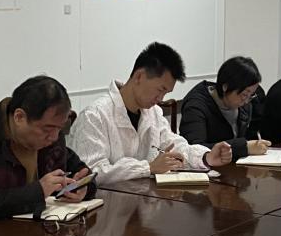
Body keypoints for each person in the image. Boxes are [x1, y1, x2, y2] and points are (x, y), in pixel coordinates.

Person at [70, 42, 232, 185]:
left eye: (166, 93)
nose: (161, 99)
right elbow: (92, 173)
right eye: (160, 90)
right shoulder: (94, 116)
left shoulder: (153, 113)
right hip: (108, 206)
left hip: (144, 202)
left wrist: (206, 157)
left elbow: (175, 145)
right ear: (139, 76)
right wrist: (148, 168)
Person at [0, 76, 96, 221]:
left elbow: (79, 171)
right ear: (19, 117)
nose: (54, 137)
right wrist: (36, 192)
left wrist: (83, 187)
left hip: (49, 231)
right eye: (47, 129)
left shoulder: (51, 138)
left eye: (59, 129)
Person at [179, 56, 269, 160]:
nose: (246, 101)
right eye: (244, 95)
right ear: (225, 87)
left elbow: (249, 137)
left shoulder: (246, 102)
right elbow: (194, 150)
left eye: (251, 95)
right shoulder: (196, 106)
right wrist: (243, 147)